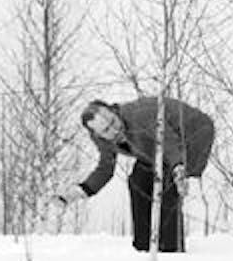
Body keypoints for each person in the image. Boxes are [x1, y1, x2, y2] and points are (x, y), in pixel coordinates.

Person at [53, 96, 215, 252]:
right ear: (97, 134)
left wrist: (179, 170)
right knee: (138, 181)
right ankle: (144, 246)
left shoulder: (141, 116)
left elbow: (169, 145)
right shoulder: (102, 139)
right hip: (155, 149)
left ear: (114, 111)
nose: (114, 130)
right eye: (106, 130)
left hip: (194, 134)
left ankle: (171, 248)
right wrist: (80, 191)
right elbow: (105, 168)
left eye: (113, 122)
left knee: (166, 183)